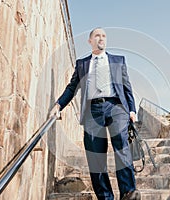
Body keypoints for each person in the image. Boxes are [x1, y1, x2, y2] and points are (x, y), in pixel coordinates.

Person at [50, 27, 141, 200]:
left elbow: (127, 87)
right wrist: (58, 105)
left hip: (116, 106)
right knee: (95, 156)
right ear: (90, 41)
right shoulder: (82, 64)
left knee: (121, 144)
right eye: (97, 35)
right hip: (93, 110)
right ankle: (105, 196)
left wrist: (131, 110)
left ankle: (128, 191)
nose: (101, 38)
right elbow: (72, 88)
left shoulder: (118, 60)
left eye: (104, 35)